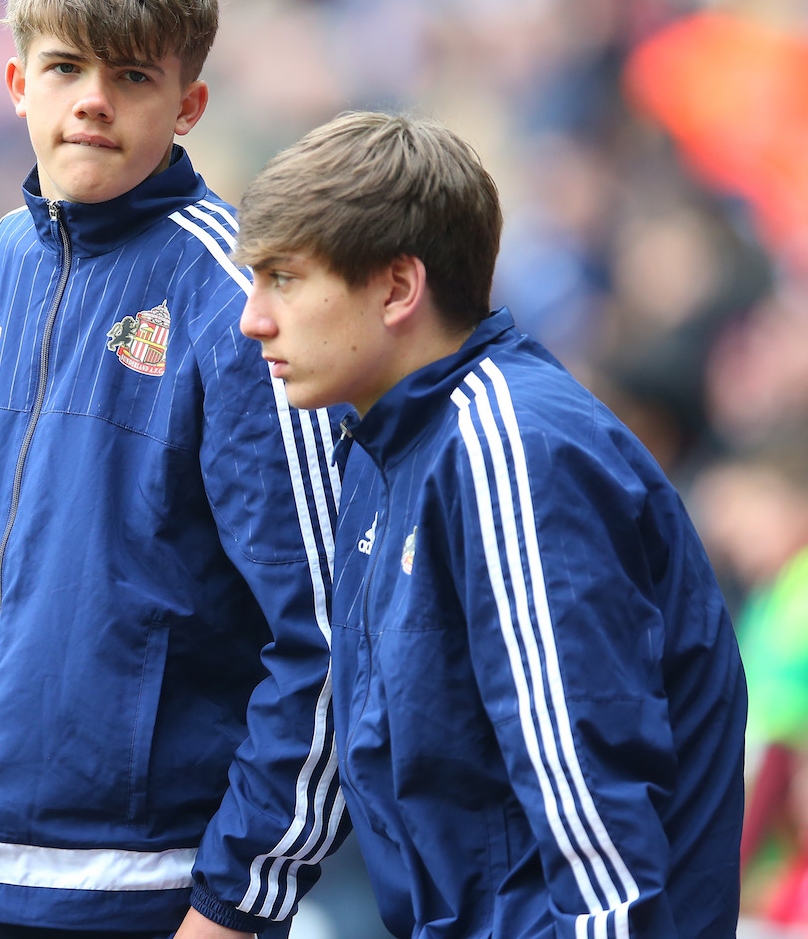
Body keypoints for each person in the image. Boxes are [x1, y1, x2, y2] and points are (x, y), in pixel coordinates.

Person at [0, 0, 344, 938]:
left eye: (132, 74)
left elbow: (328, 631)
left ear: (188, 106)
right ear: (17, 82)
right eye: (64, 66)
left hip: (149, 899)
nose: (93, 97)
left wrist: (238, 900)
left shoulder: (242, 304)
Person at [233, 110, 747, 937]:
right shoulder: (386, 446)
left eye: (284, 279)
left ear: (398, 287)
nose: (254, 318)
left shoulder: (510, 450)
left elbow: (593, 827)